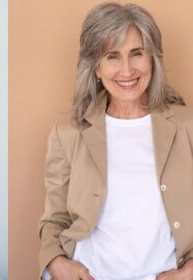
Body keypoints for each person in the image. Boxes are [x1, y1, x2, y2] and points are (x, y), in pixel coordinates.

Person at [38, 3, 193, 280]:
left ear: (152, 60)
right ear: (96, 68)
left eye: (137, 54)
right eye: (112, 56)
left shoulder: (187, 126)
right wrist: (56, 263)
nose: (127, 70)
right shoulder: (68, 134)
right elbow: (54, 220)